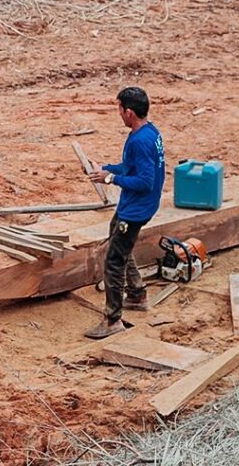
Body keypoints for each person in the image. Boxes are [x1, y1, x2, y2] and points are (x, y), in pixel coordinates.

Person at [84, 86, 165, 339]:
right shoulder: (148, 132)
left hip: (136, 209)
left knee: (113, 262)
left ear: (129, 112)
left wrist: (110, 179)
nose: (118, 113)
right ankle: (137, 294)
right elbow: (131, 167)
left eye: (119, 109)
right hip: (135, 205)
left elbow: (145, 181)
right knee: (119, 242)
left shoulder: (140, 141)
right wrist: (106, 169)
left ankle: (113, 319)